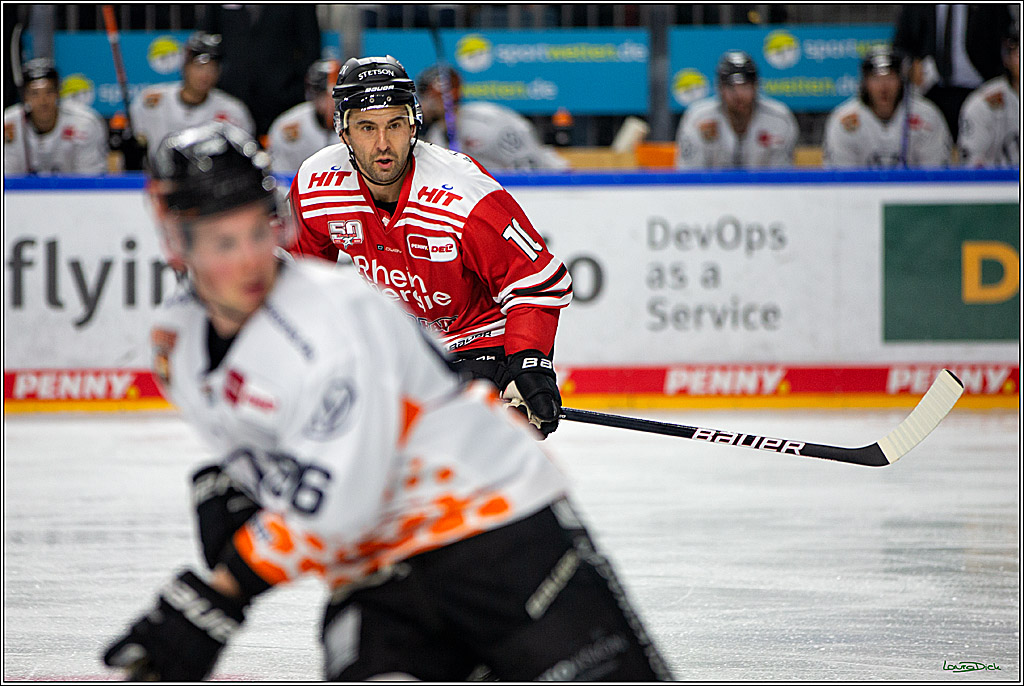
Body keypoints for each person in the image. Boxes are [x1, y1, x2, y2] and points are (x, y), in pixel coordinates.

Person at [99, 121, 672, 682]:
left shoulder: (338, 315)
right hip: (374, 571)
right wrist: (241, 483)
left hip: (500, 533)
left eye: (258, 233)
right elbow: (295, 465)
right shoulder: (177, 344)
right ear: (177, 241)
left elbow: (342, 498)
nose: (250, 261)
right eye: (225, 243)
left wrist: (223, 591)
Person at [289, 56, 573, 439]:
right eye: (366, 128)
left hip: (482, 341)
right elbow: (299, 282)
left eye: (395, 124)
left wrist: (529, 363)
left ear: (413, 125)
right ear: (343, 132)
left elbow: (537, 284)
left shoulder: (463, 194)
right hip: (402, 352)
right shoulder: (316, 184)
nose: (383, 144)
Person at [892, 4, 1015, 142]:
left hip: (981, 90)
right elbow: (900, 46)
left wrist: (999, 83)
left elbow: (1007, 40)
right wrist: (911, 64)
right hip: (931, 90)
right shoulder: (916, 6)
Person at [129, 31, 254, 166]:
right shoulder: (151, 102)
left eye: (212, 68)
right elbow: (134, 144)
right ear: (185, 67)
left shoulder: (234, 110)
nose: (205, 75)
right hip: (162, 180)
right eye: (199, 67)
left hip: (212, 182)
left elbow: (244, 157)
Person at [416, 63, 569, 170]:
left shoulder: (487, 122)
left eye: (426, 97)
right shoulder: (436, 135)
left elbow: (530, 165)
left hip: (554, 182)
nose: (422, 104)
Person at [199, 5, 321, 138]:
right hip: (231, 94)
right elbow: (207, 40)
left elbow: (310, 48)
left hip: (281, 99)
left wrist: (292, 88)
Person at [822, 45, 952, 169]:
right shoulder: (844, 119)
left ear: (901, 81)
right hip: (859, 191)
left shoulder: (926, 116)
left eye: (890, 77)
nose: (883, 87)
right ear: (865, 83)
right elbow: (841, 180)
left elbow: (935, 175)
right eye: (875, 78)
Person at [674, 50, 798, 169]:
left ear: (756, 86)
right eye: (731, 87)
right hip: (709, 189)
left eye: (745, 86)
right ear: (720, 89)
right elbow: (690, 174)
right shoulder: (698, 119)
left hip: (764, 189)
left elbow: (781, 178)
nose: (738, 95)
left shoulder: (779, 119)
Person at [3, 57, 108, 174]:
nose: (43, 101)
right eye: (34, 93)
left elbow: (90, 179)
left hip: (73, 191)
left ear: (58, 93)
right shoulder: (9, 123)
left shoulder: (84, 122)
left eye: (49, 92)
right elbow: (8, 178)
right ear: (25, 97)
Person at [958, 25, 1019, 168]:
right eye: (1019, 53)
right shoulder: (984, 102)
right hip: (999, 185)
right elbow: (972, 164)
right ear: (1007, 58)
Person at [266, 58, 340, 173]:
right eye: (324, 96)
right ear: (313, 95)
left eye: (336, 96)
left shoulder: (361, 125)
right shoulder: (288, 126)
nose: (331, 103)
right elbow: (280, 177)